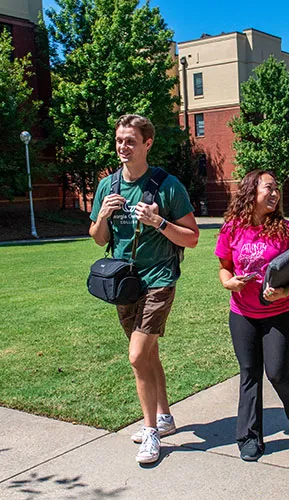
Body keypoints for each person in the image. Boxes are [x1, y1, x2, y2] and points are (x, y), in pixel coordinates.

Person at [89, 114, 199, 464]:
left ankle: (150, 432)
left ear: (147, 144)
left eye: (131, 141)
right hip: (123, 283)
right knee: (148, 354)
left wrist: (158, 221)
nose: (123, 146)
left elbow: (193, 238)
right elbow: (98, 239)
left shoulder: (167, 186)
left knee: (137, 355)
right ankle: (165, 417)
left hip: (159, 279)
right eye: (120, 140)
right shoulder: (108, 187)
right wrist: (102, 217)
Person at [214, 170, 289, 462]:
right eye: (268, 188)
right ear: (251, 192)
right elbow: (224, 266)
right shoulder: (232, 228)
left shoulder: (285, 230)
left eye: (276, 189)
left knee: (278, 373)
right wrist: (227, 282)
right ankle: (249, 437)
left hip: (277, 314)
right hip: (242, 313)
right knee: (249, 373)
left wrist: (285, 292)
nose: (275, 194)